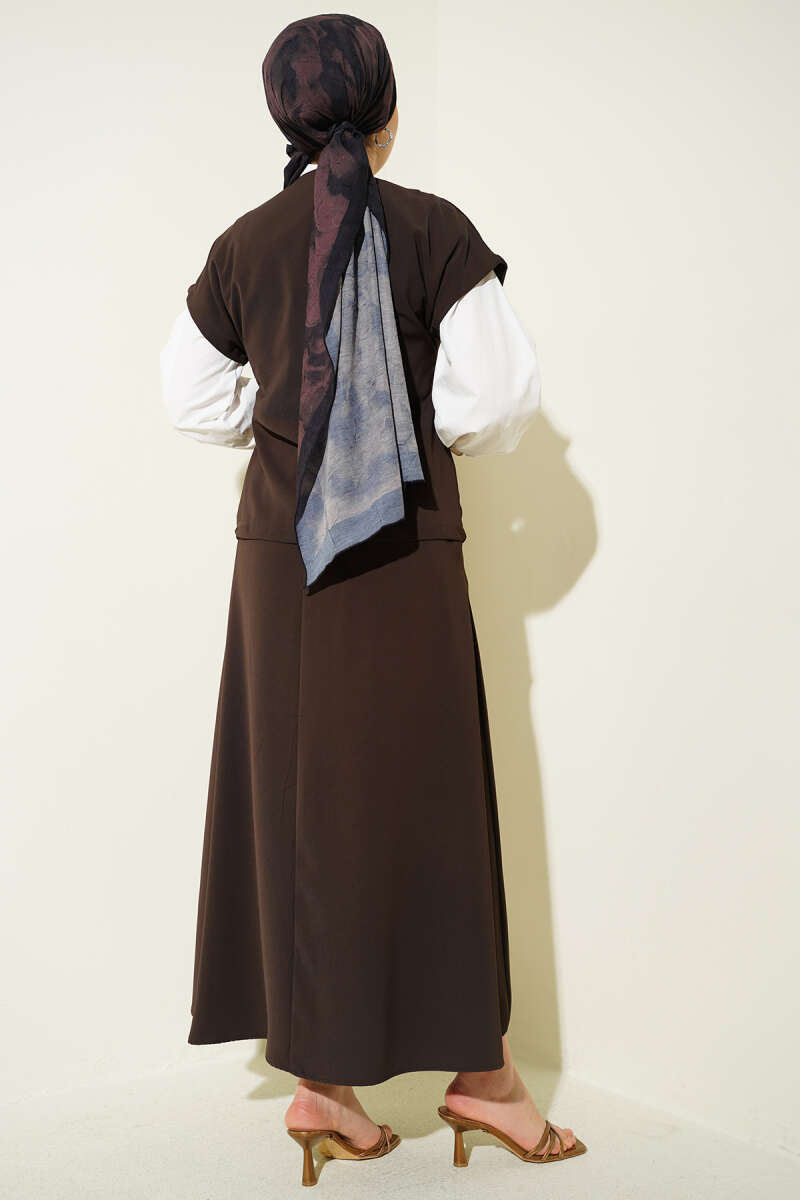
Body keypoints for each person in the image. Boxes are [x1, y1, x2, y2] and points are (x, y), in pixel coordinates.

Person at [160, 12, 586, 1187]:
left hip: (277, 563)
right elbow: (490, 405)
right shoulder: (432, 231)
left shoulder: (243, 243)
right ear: (385, 114)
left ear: (286, 119)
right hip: (398, 551)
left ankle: (320, 1090)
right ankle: (482, 1080)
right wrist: (383, 432)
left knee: (297, 801)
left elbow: (189, 397)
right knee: (423, 804)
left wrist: (292, 424)